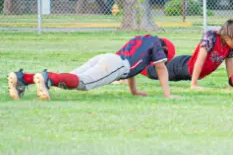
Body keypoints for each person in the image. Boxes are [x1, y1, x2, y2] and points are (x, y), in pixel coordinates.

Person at [7, 35, 176, 100]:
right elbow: (161, 68)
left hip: (107, 58)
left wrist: (134, 91)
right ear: (165, 49)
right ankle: (45, 77)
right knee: (82, 83)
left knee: (68, 77)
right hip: (115, 65)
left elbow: (132, 68)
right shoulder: (157, 43)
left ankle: (23, 78)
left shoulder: (143, 39)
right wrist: (167, 95)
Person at [141, 18, 233, 89]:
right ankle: (135, 65)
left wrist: (232, 83)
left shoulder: (231, 46)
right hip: (181, 66)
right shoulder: (211, 37)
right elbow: (200, 60)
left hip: (189, 69)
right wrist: (194, 84)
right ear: (227, 35)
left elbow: (229, 62)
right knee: (154, 73)